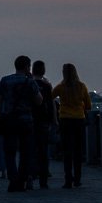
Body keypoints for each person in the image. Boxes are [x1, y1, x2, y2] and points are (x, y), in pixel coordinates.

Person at [0, 55, 42, 192]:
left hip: (9, 120)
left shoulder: (5, 80)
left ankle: (13, 179)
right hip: (26, 121)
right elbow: (39, 101)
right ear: (27, 67)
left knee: (9, 152)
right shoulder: (30, 82)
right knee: (25, 153)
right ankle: (21, 181)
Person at [51, 63, 92, 189]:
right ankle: (77, 179)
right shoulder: (81, 86)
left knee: (67, 151)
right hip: (79, 120)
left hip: (65, 120)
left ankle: (68, 180)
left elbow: (50, 97)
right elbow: (88, 105)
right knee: (78, 151)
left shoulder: (61, 87)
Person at [30, 60, 57, 189]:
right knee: (43, 150)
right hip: (43, 121)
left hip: (30, 120)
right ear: (43, 71)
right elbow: (51, 104)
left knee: (30, 150)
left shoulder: (29, 84)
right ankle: (43, 180)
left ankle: (30, 176)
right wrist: (54, 120)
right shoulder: (47, 86)